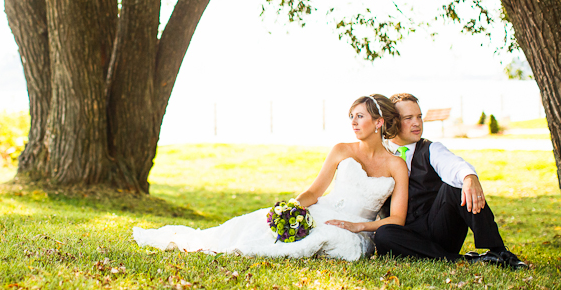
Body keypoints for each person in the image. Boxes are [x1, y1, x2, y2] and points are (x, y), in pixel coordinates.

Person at [133, 94, 409, 261]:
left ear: (379, 122)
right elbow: (314, 192)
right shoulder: (341, 150)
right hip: (321, 210)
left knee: (326, 238)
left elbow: (397, 220)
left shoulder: (396, 165)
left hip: (358, 229)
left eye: (360, 116)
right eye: (351, 116)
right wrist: (295, 207)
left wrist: (358, 227)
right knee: (255, 225)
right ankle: (217, 242)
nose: (353, 122)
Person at [374, 93, 527, 269]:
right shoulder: (380, 155)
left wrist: (469, 177)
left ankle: (499, 251)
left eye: (419, 117)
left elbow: (454, 165)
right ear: (392, 121)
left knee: (458, 185)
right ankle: (464, 260)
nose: (417, 123)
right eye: (408, 118)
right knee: (383, 235)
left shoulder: (431, 149)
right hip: (405, 236)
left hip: (440, 229)